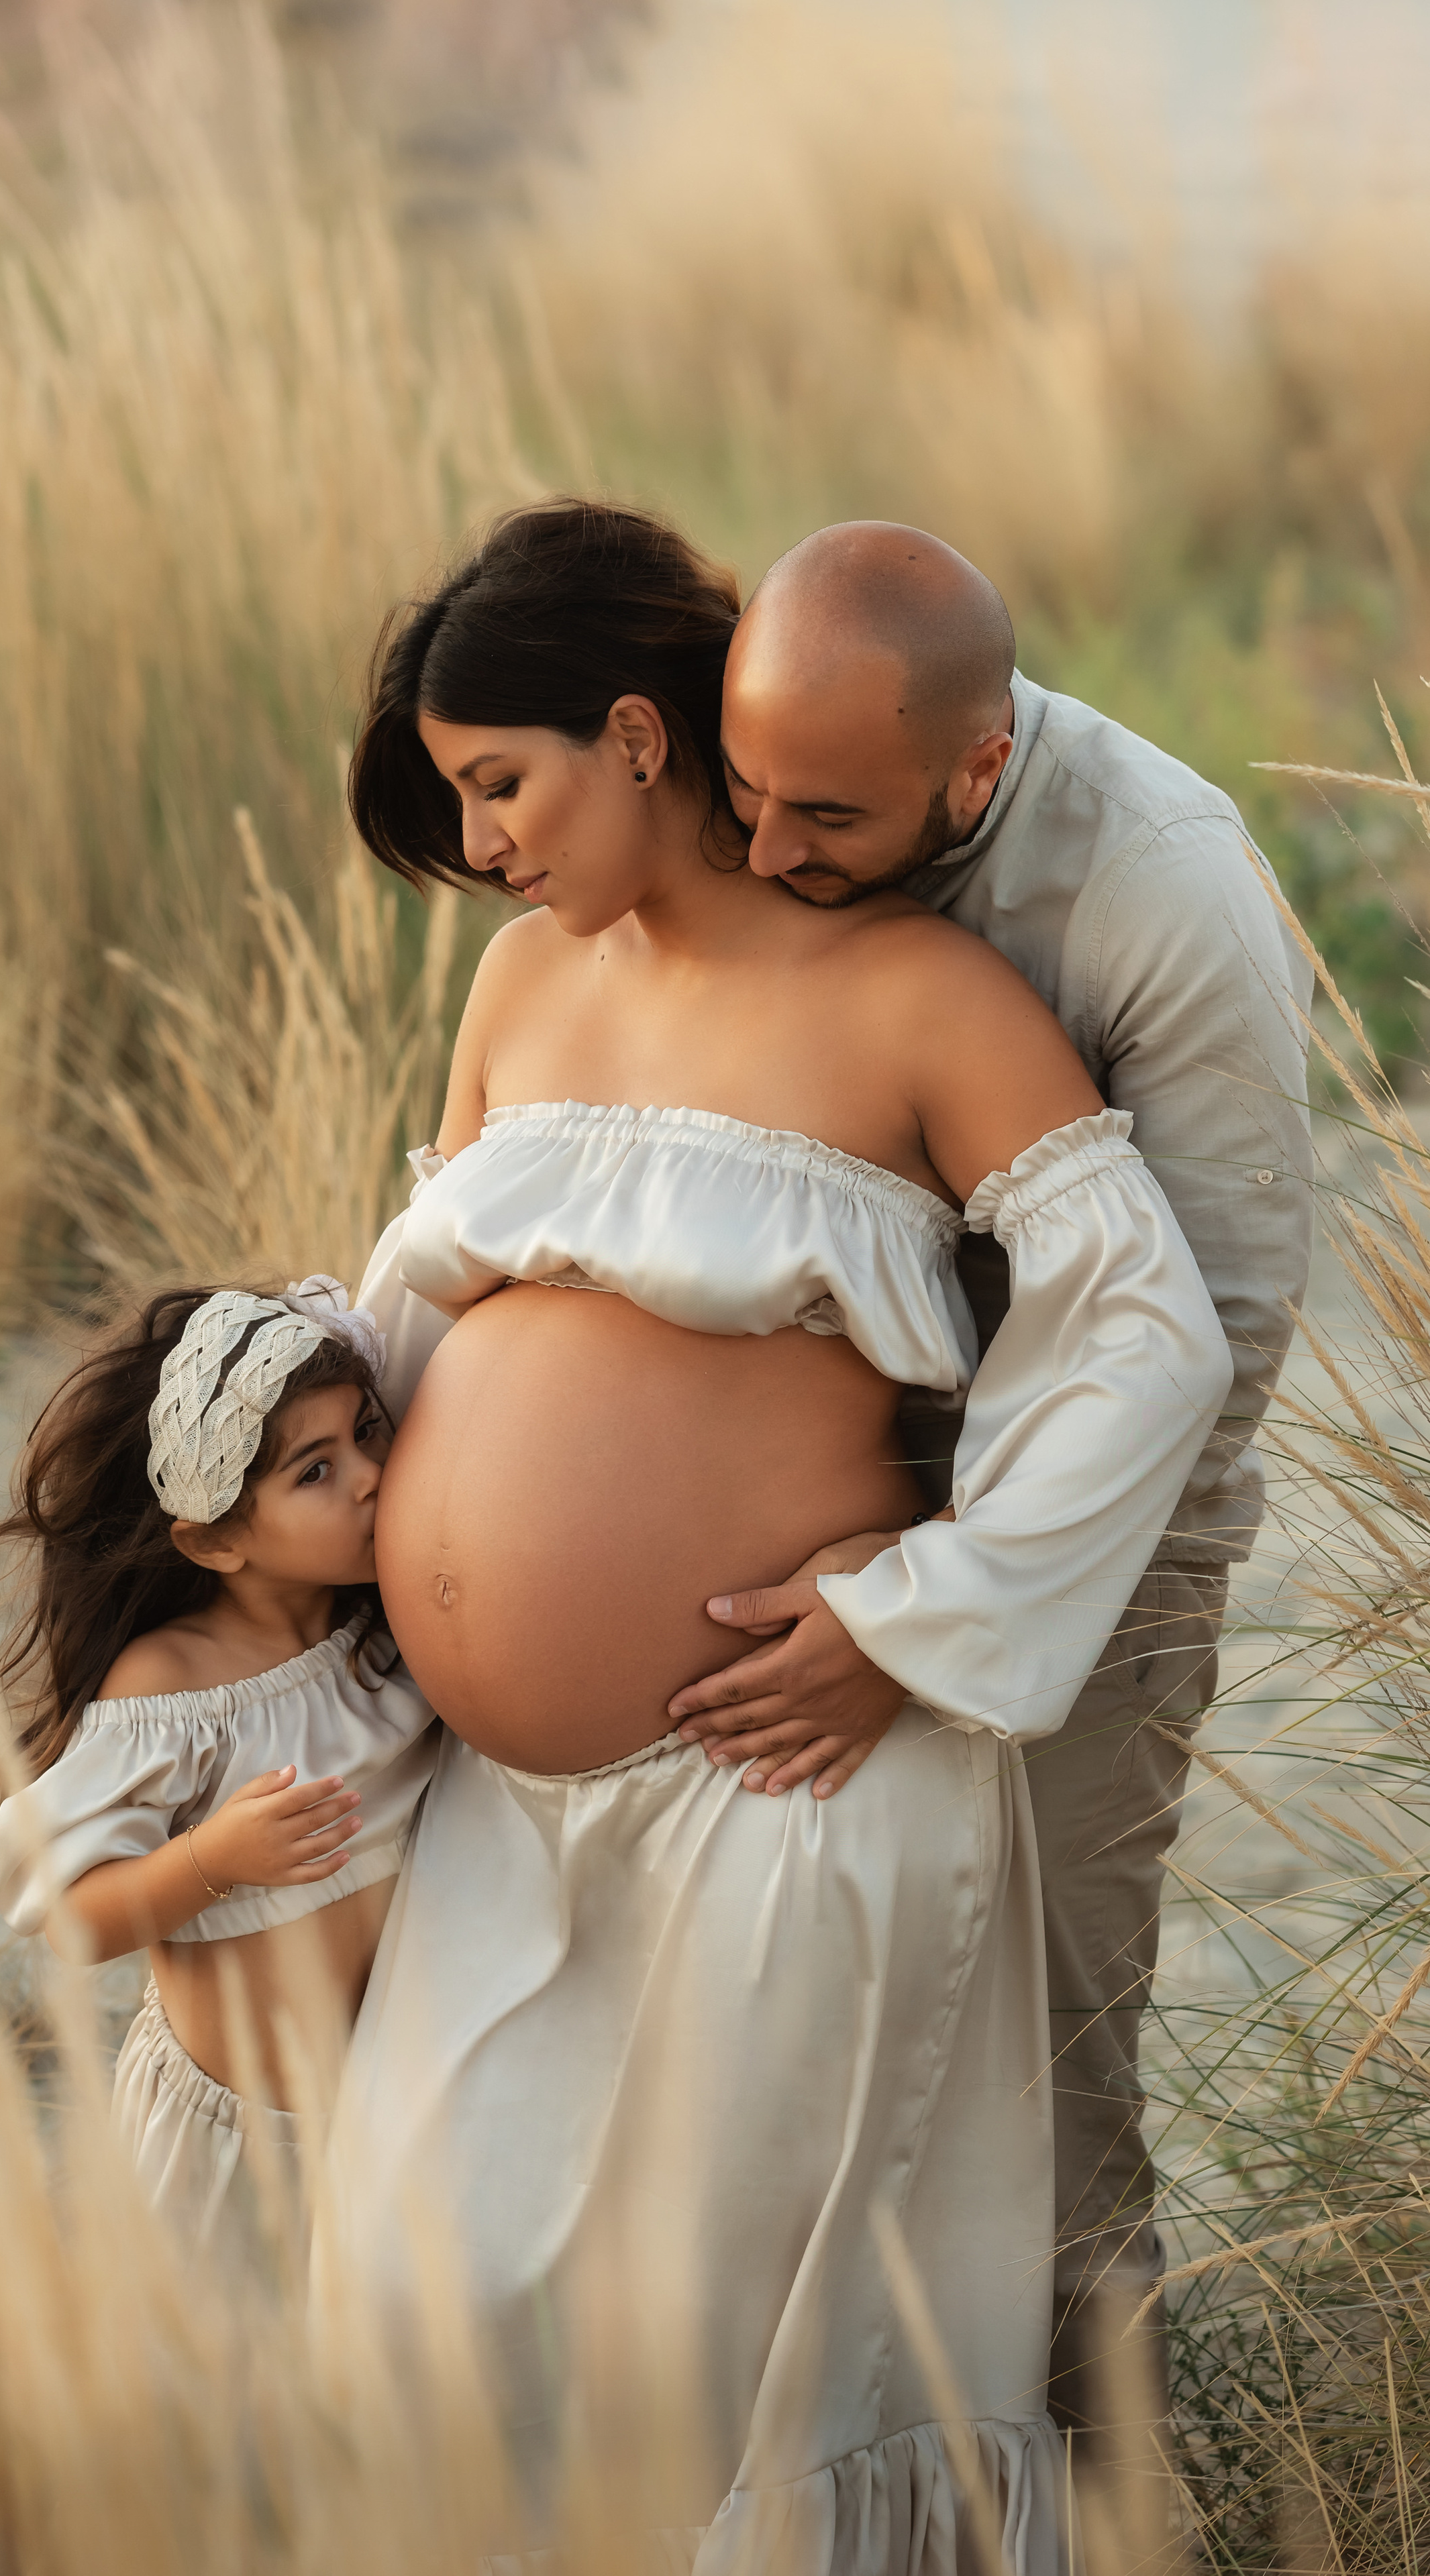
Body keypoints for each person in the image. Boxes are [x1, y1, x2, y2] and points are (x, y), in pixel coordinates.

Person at [327, 497, 1233, 2569]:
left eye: (500, 784)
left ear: (641, 738)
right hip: (497, 1806)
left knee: (738, 2366)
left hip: (778, 1777)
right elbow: (409, 1324)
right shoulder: (514, 991)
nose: (482, 844)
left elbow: (1144, 1341)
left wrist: (916, 1617)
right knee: (423, 2304)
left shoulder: (917, 998)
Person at [665, 522, 1314, 2435]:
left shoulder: (1159, 886)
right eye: (745, 787)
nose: (765, 850)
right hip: (793, 1533)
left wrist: (919, 1612)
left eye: (827, 819)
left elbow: (1218, 1335)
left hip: (1088, 1559)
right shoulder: (774, 785)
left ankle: (1100, 2493)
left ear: (978, 768)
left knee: (1042, 2049)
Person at [0, 1277, 437, 2245]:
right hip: (234, 2149)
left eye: (367, 1432)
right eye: (314, 1470)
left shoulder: (386, 1641)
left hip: (393, 2119)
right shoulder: (172, 1691)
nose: (367, 1476)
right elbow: (74, 1920)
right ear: (216, 1539)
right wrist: (214, 1861)